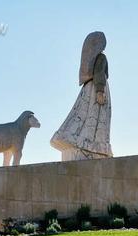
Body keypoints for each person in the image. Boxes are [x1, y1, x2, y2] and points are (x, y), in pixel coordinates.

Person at [51, 31, 113, 161]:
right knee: (95, 115)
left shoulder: (90, 64)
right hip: (97, 87)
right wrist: (100, 91)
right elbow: (100, 72)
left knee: (84, 115)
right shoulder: (101, 57)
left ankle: (82, 138)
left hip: (89, 88)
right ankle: (93, 143)